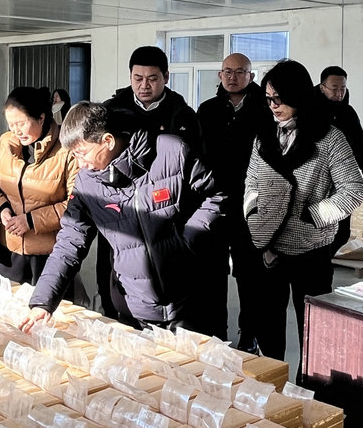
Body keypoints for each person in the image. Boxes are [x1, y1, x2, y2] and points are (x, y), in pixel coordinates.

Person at [17, 102, 225, 334]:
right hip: (134, 305)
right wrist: (43, 302)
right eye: (73, 155)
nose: (80, 164)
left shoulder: (171, 151)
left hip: (189, 300)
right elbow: (70, 241)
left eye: (82, 153)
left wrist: (188, 241)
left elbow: (216, 196)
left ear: (107, 141)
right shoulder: (86, 182)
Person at [244, 60, 363, 372]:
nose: (273, 106)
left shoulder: (330, 138)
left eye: (279, 98)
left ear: (298, 95)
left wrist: (312, 217)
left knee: (314, 331)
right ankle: (271, 388)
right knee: (268, 328)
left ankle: (309, 392)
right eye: (268, 99)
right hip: (268, 246)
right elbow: (251, 184)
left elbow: (353, 191)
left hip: (311, 250)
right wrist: (254, 217)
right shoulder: (264, 137)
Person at [93, 45, 201, 321]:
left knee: (162, 286)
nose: (144, 85)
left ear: (166, 77)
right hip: (119, 213)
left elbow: (195, 174)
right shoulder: (110, 113)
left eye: (152, 78)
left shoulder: (182, 115)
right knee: (114, 285)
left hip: (163, 215)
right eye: (137, 78)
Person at [197, 52, 269, 346]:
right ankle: (216, 333)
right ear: (220, 75)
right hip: (214, 203)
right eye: (227, 71)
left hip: (251, 206)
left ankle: (249, 335)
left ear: (251, 76)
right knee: (212, 273)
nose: (233, 77)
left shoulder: (264, 109)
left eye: (240, 72)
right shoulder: (207, 110)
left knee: (250, 274)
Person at [0, 86, 79, 288]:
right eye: (11, 125)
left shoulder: (67, 150)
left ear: (41, 118)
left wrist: (31, 220)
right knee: (8, 304)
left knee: (48, 306)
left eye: (21, 123)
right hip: (8, 248)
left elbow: (76, 204)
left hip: (50, 253)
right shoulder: (6, 143)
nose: (16, 131)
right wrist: (1, 208)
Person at [315, 66, 363, 257]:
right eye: (334, 88)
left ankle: (324, 261)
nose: (339, 93)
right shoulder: (309, 111)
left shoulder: (348, 113)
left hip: (342, 179)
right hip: (316, 179)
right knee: (317, 229)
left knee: (341, 233)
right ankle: (316, 265)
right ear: (322, 87)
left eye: (342, 88)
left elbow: (360, 145)